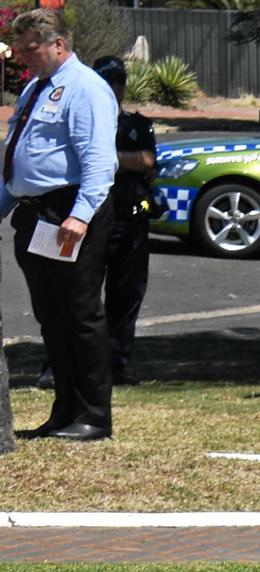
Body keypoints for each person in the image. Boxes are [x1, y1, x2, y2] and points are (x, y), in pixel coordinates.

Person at [2, 10, 118, 442]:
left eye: (31, 47)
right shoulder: (36, 88)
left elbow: (99, 161)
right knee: (52, 315)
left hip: (69, 213)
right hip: (36, 213)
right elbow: (20, 163)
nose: (22, 56)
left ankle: (93, 415)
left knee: (81, 313)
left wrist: (80, 215)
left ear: (58, 45)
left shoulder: (86, 87)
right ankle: (65, 411)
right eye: (20, 47)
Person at [90, 58, 151, 387]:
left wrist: (107, 159)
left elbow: (146, 160)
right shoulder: (85, 121)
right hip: (93, 217)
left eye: (119, 80)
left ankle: (117, 361)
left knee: (126, 293)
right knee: (82, 294)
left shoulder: (137, 124)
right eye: (107, 79)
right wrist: (124, 162)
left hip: (130, 218)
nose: (114, 86)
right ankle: (71, 360)